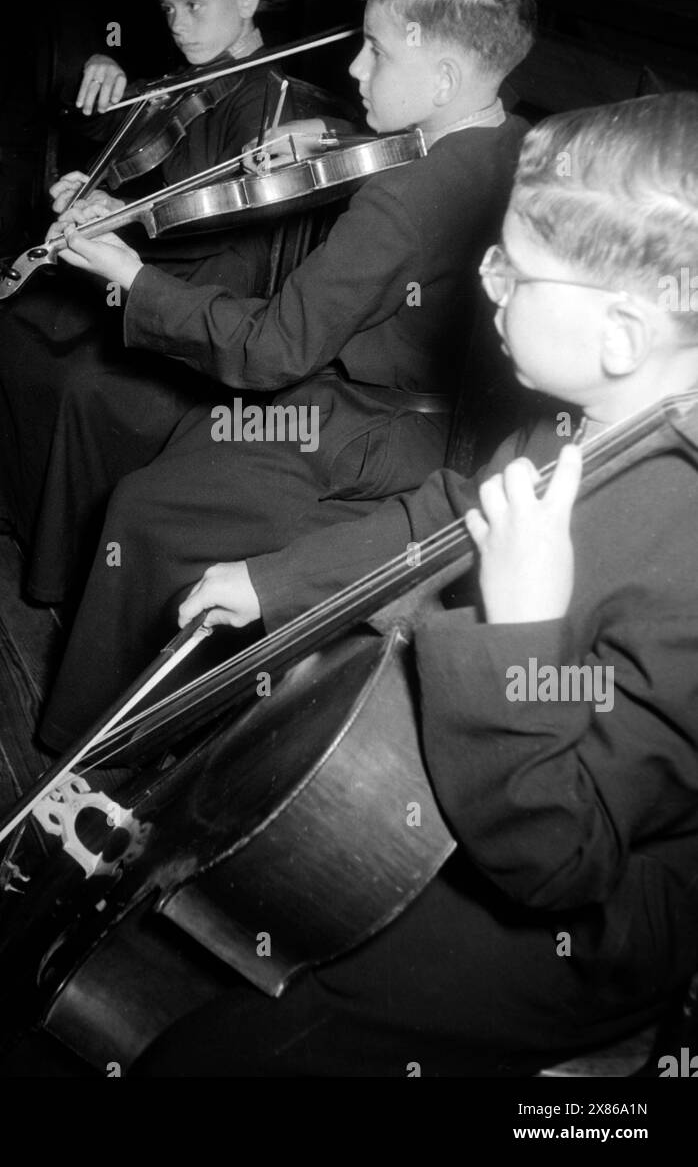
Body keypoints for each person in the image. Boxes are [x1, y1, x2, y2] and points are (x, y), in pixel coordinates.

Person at [125, 92, 698, 1077]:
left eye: (511, 270)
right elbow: (446, 512)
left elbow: (560, 857)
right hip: (495, 778)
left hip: (574, 913)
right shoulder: (586, 414)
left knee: (228, 1056)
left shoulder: (680, 550)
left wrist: (518, 628)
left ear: (619, 332)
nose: (484, 281)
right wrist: (275, 578)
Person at [38, 0, 535, 751]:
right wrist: (342, 135)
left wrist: (132, 277)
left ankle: (97, 746)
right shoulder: (509, 138)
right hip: (440, 420)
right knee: (182, 436)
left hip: (374, 430)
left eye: (373, 52)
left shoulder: (402, 203)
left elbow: (270, 352)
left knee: (144, 505)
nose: (353, 68)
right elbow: (430, 144)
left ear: (443, 74)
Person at [0, 0, 340, 603]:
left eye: (194, 6)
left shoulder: (279, 101)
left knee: (86, 385)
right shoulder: (181, 80)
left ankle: (69, 569)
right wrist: (96, 171)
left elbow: (231, 226)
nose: (178, 25)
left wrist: (118, 217)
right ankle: (23, 521)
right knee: (17, 330)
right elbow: (116, 143)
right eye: (168, 9)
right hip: (146, 260)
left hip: (215, 283)